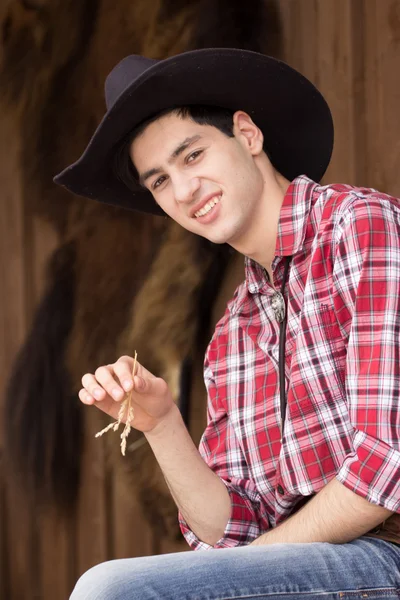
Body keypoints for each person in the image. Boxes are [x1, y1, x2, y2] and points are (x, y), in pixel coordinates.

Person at [54, 49, 400, 599]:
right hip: (317, 570)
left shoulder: (358, 228)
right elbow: (232, 532)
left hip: (391, 554)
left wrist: (247, 570)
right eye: (160, 182)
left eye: (192, 155)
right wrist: (163, 424)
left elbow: (386, 466)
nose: (185, 191)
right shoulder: (233, 333)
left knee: (111, 590)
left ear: (247, 134)